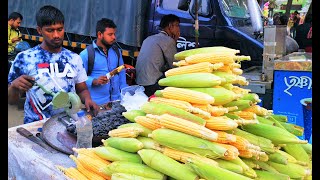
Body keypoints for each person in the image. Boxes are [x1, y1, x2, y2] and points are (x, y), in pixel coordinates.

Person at [8, 5, 99, 124]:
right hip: (35, 128)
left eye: (60, 29)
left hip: (68, 125)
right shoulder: (25, 58)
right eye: (50, 30)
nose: (56, 35)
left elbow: (81, 89)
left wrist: (88, 99)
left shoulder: (74, 58)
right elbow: (11, 100)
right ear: (39, 30)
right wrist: (14, 87)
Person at [79, 18, 128, 106]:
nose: (114, 37)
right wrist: (94, 81)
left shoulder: (117, 51)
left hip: (116, 101)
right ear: (99, 34)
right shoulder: (86, 54)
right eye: (110, 34)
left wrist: (125, 94)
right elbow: (78, 79)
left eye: (114, 34)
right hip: (97, 104)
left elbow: (121, 73)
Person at [135, 14, 180, 97]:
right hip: (152, 85)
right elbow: (175, 66)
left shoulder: (149, 38)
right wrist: (175, 41)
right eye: (177, 25)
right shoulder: (168, 40)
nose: (179, 29)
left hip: (139, 82)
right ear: (170, 26)